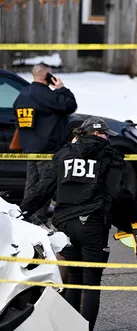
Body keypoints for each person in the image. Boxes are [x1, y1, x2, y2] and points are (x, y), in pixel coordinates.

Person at [19, 117, 137, 331]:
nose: (108, 138)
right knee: (91, 282)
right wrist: (133, 219)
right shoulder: (109, 156)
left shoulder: (63, 154)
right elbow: (118, 193)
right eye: (106, 135)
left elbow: (43, 188)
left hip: (64, 224)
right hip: (91, 223)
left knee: (73, 277)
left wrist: (23, 209)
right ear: (100, 135)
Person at [13, 62, 78, 222]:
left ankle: (27, 217)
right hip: (46, 149)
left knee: (31, 185)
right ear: (46, 76)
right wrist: (61, 88)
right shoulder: (46, 94)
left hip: (29, 149)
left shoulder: (23, 95)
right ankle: (38, 219)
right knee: (45, 185)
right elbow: (70, 105)